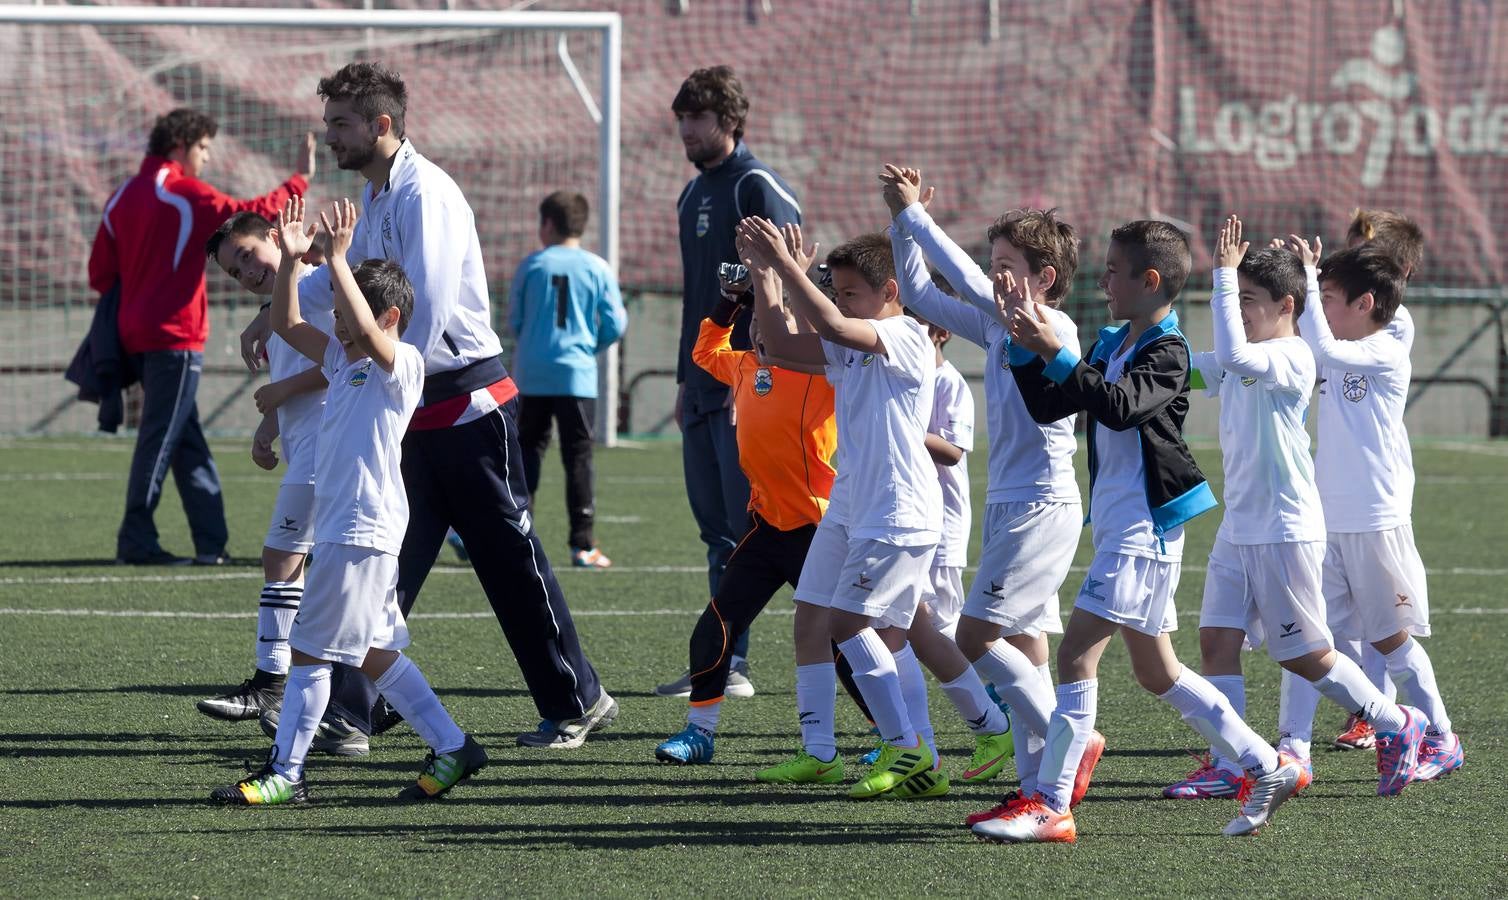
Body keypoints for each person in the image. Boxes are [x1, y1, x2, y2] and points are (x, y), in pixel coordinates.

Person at [240, 62, 613, 753]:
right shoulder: (376, 197)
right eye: (328, 124)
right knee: (386, 560)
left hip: (465, 406)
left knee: (508, 561)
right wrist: (277, 306)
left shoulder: (424, 194)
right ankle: (350, 713)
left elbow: (429, 311)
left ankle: (577, 699)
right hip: (409, 407)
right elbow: (344, 288)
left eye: (342, 124)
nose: (331, 137)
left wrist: (371, 375)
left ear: (382, 125)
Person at [975, 220, 1303, 843]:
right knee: (1158, 673)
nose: (1102, 282)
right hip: (1124, 530)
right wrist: (1025, 346)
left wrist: (1057, 352)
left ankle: (1050, 804)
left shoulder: (1168, 352)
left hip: (1143, 531)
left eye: (1113, 272)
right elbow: (1053, 406)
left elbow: (1121, 407)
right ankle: (1267, 765)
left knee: (1073, 655)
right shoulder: (1113, 341)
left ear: (1149, 281)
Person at [212, 197, 485, 805]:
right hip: (349, 525)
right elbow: (285, 325)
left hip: (361, 527)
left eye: (343, 312)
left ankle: (286, 772)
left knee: (309, 649)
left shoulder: (402, 364)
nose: (336, 324)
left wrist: (336, 258)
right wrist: (287, 263)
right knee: (373, 654)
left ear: (390, 316)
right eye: (335, 313)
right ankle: (454, 747)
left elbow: (363, 327)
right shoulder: (341, 361)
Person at [881, 167, 1101, 816]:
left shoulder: (1053, 327)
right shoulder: (1001, 328)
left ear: (1046, 279)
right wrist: (900, 222)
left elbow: (971, 287)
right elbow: (919, 291)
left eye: (1008, 264)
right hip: (1012, 504)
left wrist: (918, 215)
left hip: (1040, 505)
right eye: (994, 262)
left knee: (974, 637)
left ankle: (1075, 742)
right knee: (1028, 646)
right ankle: (1034, 787)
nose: (994, 274)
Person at [742, 222, 946, 799]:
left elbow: (829, 324)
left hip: (896, 509)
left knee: (850, 624)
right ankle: (820, 753)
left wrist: (789, 266)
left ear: (891, 293)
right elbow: (776, 345)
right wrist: (765, 276)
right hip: (853, 504)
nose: (841, 301)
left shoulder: (907, 335)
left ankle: (912, 752)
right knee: (811, 616)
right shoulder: (854, 338)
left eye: (852, 292)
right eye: (839, 290)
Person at [89, 108, 312, 565]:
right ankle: (135, 538)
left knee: (183, 435)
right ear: (182, 145)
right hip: (175, 335)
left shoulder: (119, 198)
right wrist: (300, 180)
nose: (206, 159)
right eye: (204, 148)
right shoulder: (182, 193)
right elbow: (247, 219)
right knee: (160, 436)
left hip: (133, 333)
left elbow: (98, 273)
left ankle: (212, 544)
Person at [1276, 236, 1461, 781]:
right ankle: (1294, 747)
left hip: (1375, 519)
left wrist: (1312, 274)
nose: (1320, 307)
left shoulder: (1385, 345)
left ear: (1364, 304)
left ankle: (1440, 737)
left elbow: (1332, 349)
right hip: (1325, 519)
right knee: (1306, 637)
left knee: (1391, 640)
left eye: (1329, 297)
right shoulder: (1331, 340)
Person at [653, 245, 842, 765]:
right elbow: (703, 352)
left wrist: (793, 280)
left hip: (816, 529)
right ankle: (699, 732)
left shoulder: (824, 374)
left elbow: (823, 332)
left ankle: (893, 741)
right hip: (767, 529)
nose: (764, 330)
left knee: (845, 643)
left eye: (775, 319)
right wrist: (731, 302)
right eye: (759, 321)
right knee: (716, 624)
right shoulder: (743, 367)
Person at [657, 65, 801, 698]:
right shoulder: (692, 195)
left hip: (753, 383)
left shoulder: (757, 186)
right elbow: (698, 299)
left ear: (730, 122)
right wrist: (689, 375)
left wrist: (774, 370)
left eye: (698, 119)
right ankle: (719, 663)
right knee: (714, 526)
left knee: (752, 525)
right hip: (705, 379)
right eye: (682, 119)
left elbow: (796, 275)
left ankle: (732, 662)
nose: (687, 131)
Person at [196, 212, 331, 723]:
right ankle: (371, 701)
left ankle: (271, 682)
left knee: (283, 556)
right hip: (308, 449)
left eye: (249, 256)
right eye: (235, 271)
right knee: (339, 584)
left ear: (277, 238)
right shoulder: (280, 306)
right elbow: (292, 370)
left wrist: (282, 391)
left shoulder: (319, 287)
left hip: (331, 448)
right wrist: (267, 427)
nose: (246, 272)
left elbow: (350, 358)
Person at [509, 190, 627, 569]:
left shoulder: (531, 266)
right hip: (576, 375)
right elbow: (616, 325)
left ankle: (516, 533)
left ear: (547, 224)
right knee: (578, 457)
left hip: (533, 374)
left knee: (528, 451)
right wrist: (587, 348)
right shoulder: (596, 267)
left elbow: (515, 321)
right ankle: (582, 544)